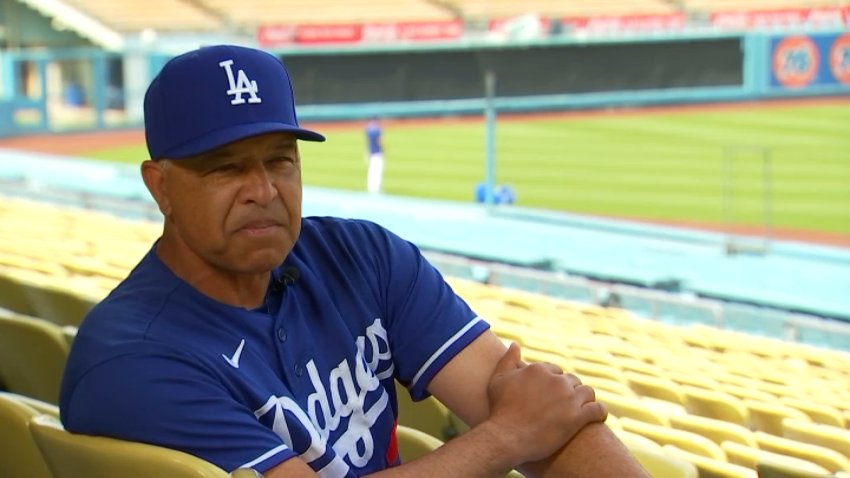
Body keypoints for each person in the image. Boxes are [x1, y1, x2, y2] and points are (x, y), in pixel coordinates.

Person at [60, 45, 648, 478]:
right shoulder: (130, 358)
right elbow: (520, 422)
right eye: (225, 166)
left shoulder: (361, 255)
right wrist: (506, 438)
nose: (262, 189)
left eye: (280, 160)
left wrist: (526, 424)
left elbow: (536, 408)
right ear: (159, 185)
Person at [365, 116, 384, 194]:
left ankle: (371, 188)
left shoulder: (368, 129)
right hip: (377, 152)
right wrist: (384, 148)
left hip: (371, 152)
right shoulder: (377, 129)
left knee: (371, 171)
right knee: (377, 171)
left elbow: (367, 142)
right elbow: (379, 141)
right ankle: (377, 189)